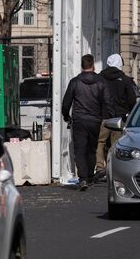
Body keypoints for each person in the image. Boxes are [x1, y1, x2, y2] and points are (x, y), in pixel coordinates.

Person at [61, 54, 114, 191]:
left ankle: (83, 178)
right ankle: (89, 176)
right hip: (95, 120)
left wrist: (66, 116)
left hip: (79, 119)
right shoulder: (101, 82)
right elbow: (108, 101)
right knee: (91, 148)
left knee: (79, 149)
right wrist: (107, 117)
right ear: (93, 66)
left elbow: (66, 102)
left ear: (82, 66)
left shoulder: (75, 82)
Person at [94, 54, 137, 181]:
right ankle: (113, 168)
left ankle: (100, 167)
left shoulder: (100, 78)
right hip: (119, 117)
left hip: (103, 115)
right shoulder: (124, 79)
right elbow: (131, 99)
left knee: (100, 142)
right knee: (117, 144)